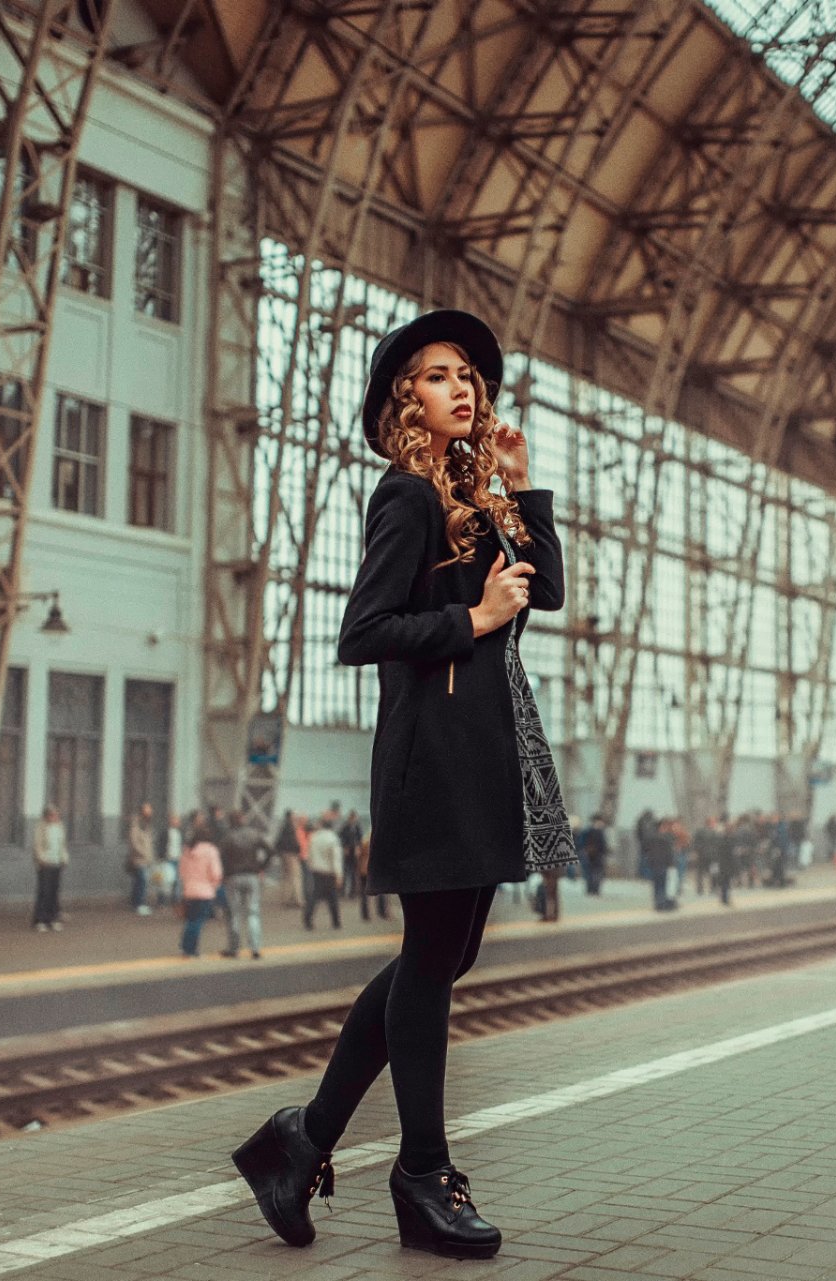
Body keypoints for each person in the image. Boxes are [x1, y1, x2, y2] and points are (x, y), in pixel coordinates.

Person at [232, 310, 574, 1261]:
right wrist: (468, 619)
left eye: (467, 373)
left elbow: (545, 593)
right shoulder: (406, 498)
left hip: (482, 755)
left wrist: (522, 481)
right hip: (433, 761)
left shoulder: (474, 497)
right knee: (431, 962)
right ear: (403, 402)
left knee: (441, 958)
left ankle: (299, 1143)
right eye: (436, 375)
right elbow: (364, 631)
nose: (460, 386)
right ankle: (421, 1174)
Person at [219, 810, 268, 959]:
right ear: (243, 819)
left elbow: (221, 858)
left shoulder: (227, 838)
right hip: (252, 876)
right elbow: (271, 850)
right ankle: (255, 948)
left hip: (233, 877)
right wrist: (261, 867)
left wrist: (225, 874)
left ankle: (234, 948)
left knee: (235, 913)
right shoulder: (255, 834)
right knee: (253, 912)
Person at [179, 820, 224, 958]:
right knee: (198, 921)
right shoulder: (211, 851)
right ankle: (192, 950)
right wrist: (214, 886)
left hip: (189, 890)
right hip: (205, 891)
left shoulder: (187, 850)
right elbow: (216, 873)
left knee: (190, 919)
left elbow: (182, 870)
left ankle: (186, 946)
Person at [302, 819, 343, 931]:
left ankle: (307, 920)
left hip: (317, 872)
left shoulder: (314, 837)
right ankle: (336, 922)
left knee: (314, 897)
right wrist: (339, 874)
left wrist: (311, 866)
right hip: (329, 873)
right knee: (333, 898)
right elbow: (336, 858)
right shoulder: (333, 838)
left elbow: (309, 854)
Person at [32, 805, 67, 930]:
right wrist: (42, 859)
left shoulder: (60, 827)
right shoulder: (41, 828)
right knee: (44, 892)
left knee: (54, 892)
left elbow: (62, 845)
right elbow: (37, 845)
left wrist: (64, 858)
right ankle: (40, 920)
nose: (56, 817)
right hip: (45, 863)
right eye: (53, 815)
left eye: (57, 814)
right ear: (47, 816)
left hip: (57, 862)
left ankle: (53, 919)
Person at [127, 802, 156, 916]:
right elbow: (134, 842)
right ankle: (139, 904)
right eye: (148, 809)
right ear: (142, 811)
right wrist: (143, 853)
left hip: (145, 859)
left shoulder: (147, 824)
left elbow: (149, 842)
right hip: (139, 859)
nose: (150, 811)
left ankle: (136, 903)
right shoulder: (136, 825)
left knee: (140, 882)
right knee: (141, 882)